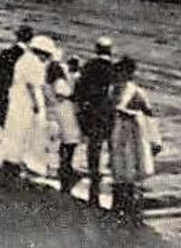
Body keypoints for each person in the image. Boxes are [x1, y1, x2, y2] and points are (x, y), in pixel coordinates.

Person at [108, 57, 159, 222]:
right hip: (117, 130)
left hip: (133, 132)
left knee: (130, 164)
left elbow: (149, 114)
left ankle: (129, 204)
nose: (118, 77)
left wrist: (155, 139)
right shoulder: (113, 89)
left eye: (121, 73)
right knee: (118, 165)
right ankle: (120, 204)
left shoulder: (136, 92)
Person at [0, 33, 48, 177]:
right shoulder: (33, 62)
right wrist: (36, 104)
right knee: (23, 129)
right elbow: (31, 85)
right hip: (25, 99)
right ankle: (18, 160)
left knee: (13, 128)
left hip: (16, 96)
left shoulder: (23, 59)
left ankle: (9, 158)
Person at [74, 37, 117, 205]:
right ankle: (114, 172)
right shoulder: (113, 69)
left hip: (92, 112)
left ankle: (94, 172)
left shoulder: (89, 66)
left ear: (96, 49)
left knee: (94, 144)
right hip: (108, 113)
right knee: (112, 144)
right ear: (110, 51)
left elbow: (79, 88)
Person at [0, 25, 32, 142]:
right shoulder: (28, 56)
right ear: (30, 40)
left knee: (3, 119)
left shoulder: (5, 52)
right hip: (18, 92)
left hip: (2, 90)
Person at [49, 53, 82, 192]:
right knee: (69, 141)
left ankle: (65, 168)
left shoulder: (60, 81)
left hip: (64, 112)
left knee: (67, 142)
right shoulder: (62, 82)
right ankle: (66, 170)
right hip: (67, 112)